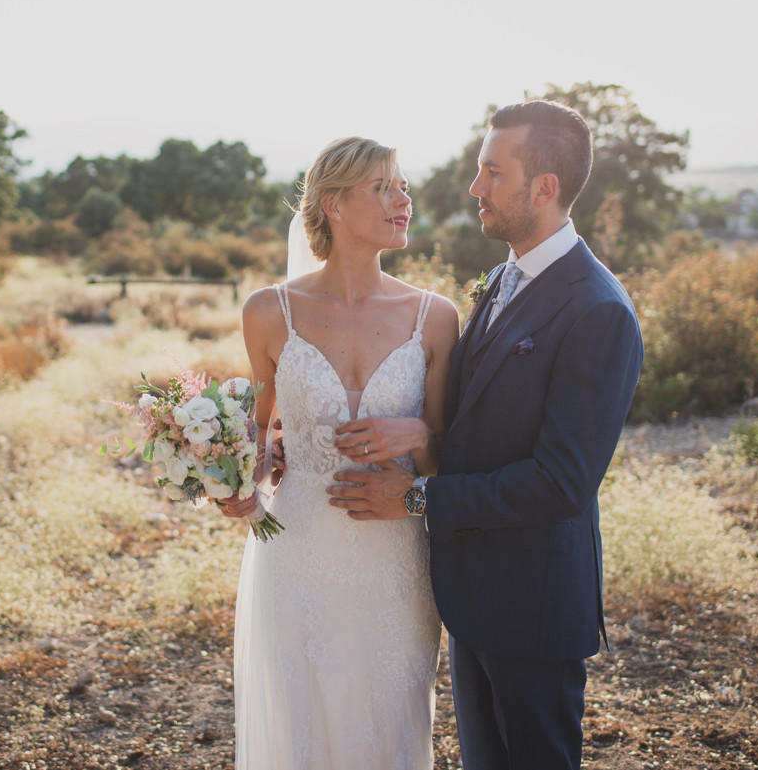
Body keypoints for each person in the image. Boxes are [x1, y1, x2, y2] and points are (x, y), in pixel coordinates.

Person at [327, 100, 644, 770]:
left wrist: (415, 498)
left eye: (493, 173)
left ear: (544, 188)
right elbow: (478, 424)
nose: (475, 187)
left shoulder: (598, 309)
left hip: (534, 606)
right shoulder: (503, 278)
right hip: (474, 598)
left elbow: (560, 482)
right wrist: (418, 434)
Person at [217, 136, 460, 770]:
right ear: (334, 204)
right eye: (383, 188)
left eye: (403, 186)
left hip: (395, 555)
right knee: (304, 722)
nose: (403, 200)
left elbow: (444, 456)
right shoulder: (269, 312)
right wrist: (237, 484)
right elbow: (261, 436)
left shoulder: (435, 318)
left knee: (390, 719)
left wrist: (418, 438)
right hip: (298, 552)